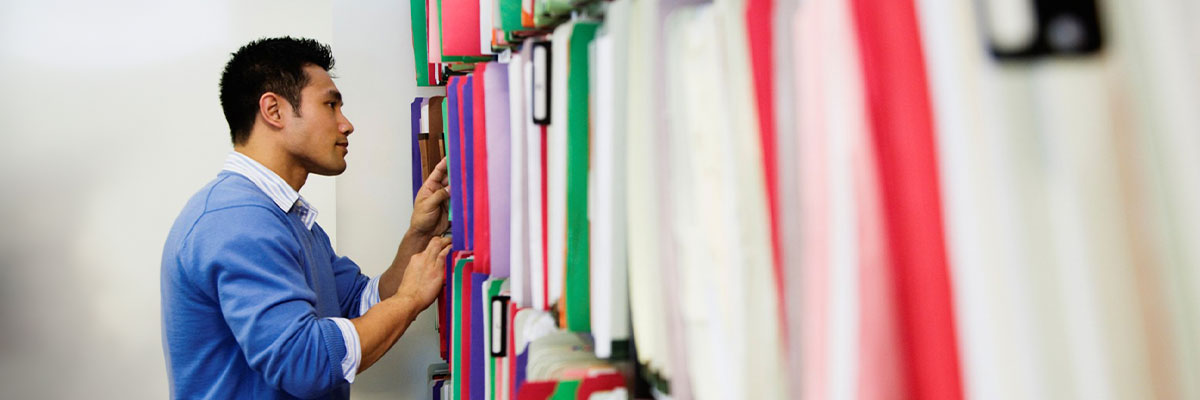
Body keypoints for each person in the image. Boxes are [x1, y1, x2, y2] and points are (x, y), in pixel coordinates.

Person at [161, 37, 452, 399]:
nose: (346, 125)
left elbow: (359, 304)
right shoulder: (238, 220)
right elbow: (306, 363)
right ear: (274, 110)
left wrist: (418, 237)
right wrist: (409, 300)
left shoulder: (284, 215)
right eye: (330, 105)